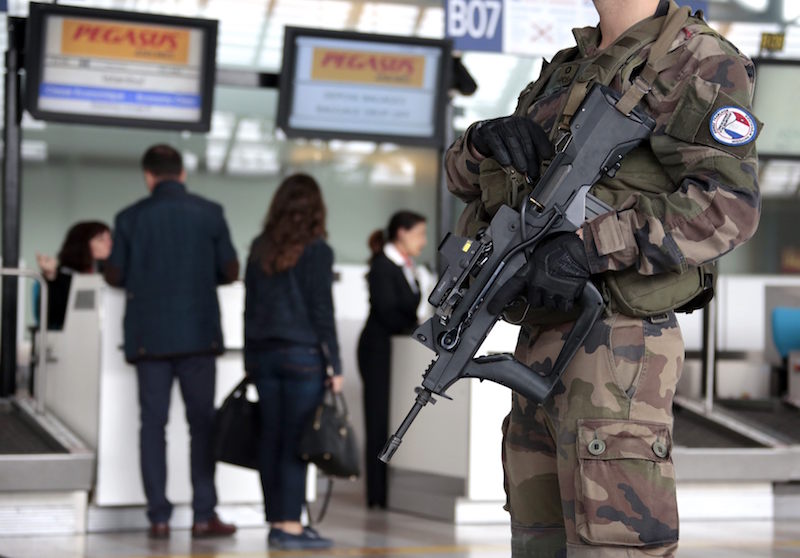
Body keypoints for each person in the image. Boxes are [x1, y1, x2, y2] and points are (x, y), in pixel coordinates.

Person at [444, 1, 760, 556]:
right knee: (538, 543)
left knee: (611, 545)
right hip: (539, 341)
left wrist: (586, 249)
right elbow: (462, 180)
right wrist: (481, 140)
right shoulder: (568, 66)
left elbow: (727, 207)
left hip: (618, 342)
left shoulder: (698, 57)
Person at [104, 144, 239, 540]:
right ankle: (203, 515)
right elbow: (230, 270)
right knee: (202, 427)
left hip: (150, 340)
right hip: (198, 336)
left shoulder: (129, 218)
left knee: (153, 426)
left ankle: (159, 518)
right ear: (182, 173)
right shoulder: (210, 213)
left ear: (148, 176)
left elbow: (115, 275)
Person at [244, 173, 343, 550]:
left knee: (270, 442)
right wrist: (334, 364)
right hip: (303, 357)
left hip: (265, 357)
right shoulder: (317, 250)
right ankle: (290, 528)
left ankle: (278, 523)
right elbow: (322, 311)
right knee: (295, 444)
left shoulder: (259, 247)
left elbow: (250, 310)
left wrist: (251, 360)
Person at [357, 211, 427, 509]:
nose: (423, 242)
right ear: (401, 232)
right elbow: (388, 311)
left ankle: (385, 491)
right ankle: (376, 494)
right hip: (378, 348)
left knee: (390, 417)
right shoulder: (383, 266)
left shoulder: (407, 267)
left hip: (395, 348)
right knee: (377, 421)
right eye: (419, 234)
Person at [35, 221, 112, 330]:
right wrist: (51, 276)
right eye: (101, 239)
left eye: (109, 238)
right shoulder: (61, 276)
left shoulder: (107, 274)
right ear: (82, 244)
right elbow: (53, 317)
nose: (109, 244)